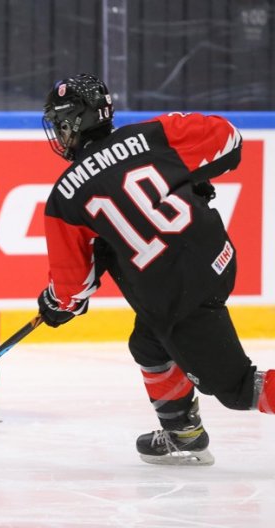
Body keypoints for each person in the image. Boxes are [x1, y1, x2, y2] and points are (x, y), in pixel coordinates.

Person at [36, 73, 274, 466]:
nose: (59, 136)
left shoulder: (65, 196)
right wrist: (191, 177)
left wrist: (54, 304)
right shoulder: (152, 135)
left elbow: (71, 289)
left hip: (177, 295)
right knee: (148, 343)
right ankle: (183, 432)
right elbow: (228, 139)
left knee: (239, 389)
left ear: (73, 123)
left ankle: (184, 431)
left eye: (60, 125)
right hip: (219, 258)